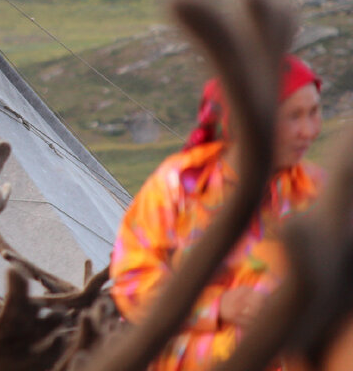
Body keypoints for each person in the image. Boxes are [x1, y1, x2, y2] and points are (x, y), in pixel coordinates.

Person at [109, 54, 325, 371]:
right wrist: (218, 307)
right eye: (293, 116)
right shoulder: (178, 186)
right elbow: (132, 284)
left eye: (315, 113)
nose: (308, 130)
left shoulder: (317, 194)